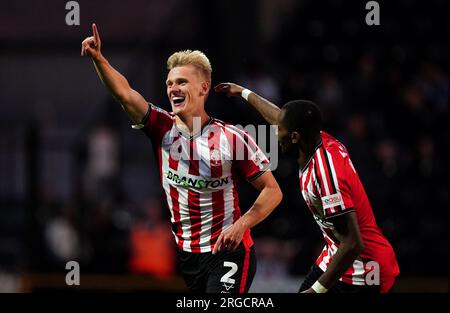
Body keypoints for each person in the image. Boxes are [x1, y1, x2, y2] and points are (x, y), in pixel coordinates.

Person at [81, 24, 282, 293]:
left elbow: (273, 191)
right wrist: (99, 59)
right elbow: (125, 94)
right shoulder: (161, 127)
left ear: (203, 87)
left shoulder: (233, 137)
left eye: (182, 82)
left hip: (228, 252)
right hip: (188, 256)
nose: (173, 88)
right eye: (170, 83)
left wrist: (241, 225)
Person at [214, 82, 400, 293]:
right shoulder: (315, 138)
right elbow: (279, 116)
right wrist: (243, 92)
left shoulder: (326, 177)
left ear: (294, 137)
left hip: (364, 270)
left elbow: (352, 243)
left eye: (279, 131)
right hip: (335, 254)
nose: (276, 134)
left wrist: (316, 291)